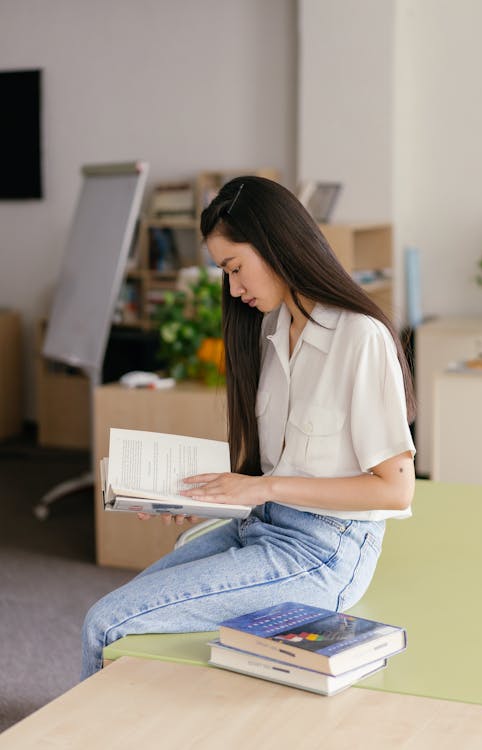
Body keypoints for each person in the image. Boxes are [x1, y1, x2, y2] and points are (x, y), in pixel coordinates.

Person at [81, 176, 416, 679]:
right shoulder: (271, 329)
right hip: (261, 525)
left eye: (235, 269)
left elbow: (395, 490)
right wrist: (197, 499)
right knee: (119, 611)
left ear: (275, 246)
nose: (234, 289)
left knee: (105, 623)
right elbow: (272, 466)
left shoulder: (359, 337)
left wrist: (262, 487)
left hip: (325, 553)